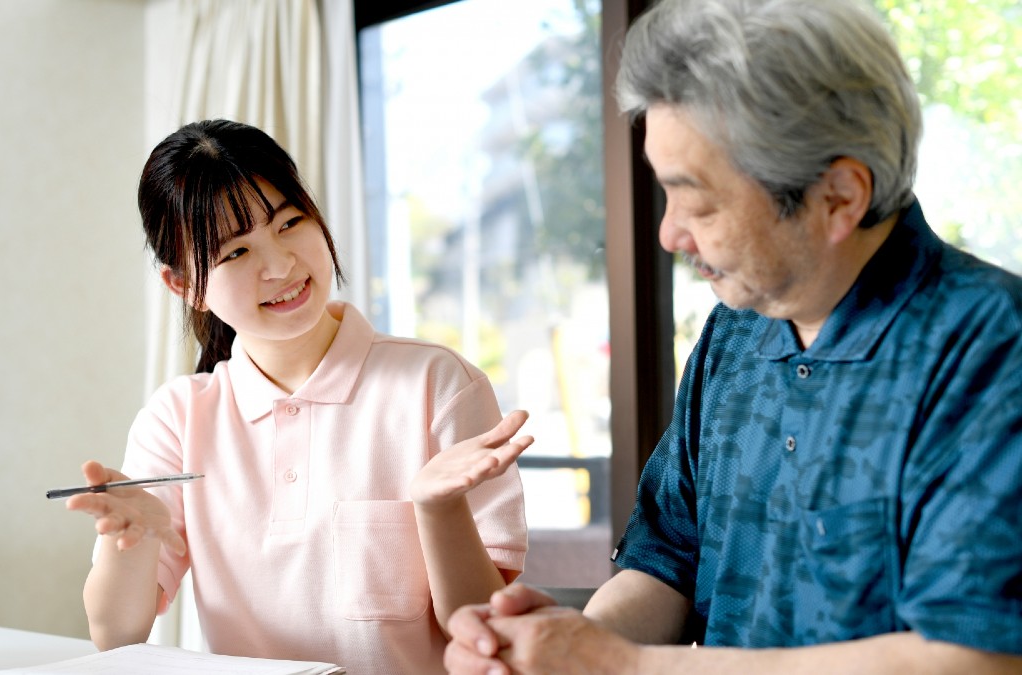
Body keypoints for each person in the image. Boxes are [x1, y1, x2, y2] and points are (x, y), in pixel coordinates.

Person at [444, 0, 1022, 672]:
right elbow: (665, 563)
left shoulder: (989, 344)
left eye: (700, 201)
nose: (668, 233)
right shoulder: (736, 329)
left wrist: (622, 666)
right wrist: (559, 644)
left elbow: (975, 657)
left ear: (839, 196)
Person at [65, 119, 530, 675]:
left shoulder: (437, 383)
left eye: (290, 222)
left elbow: (484, 631)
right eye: (235, 253)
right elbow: (116, 635)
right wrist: (135, 540)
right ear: (183, 285)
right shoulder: (177, 417)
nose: (282, 265)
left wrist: (438, 507)